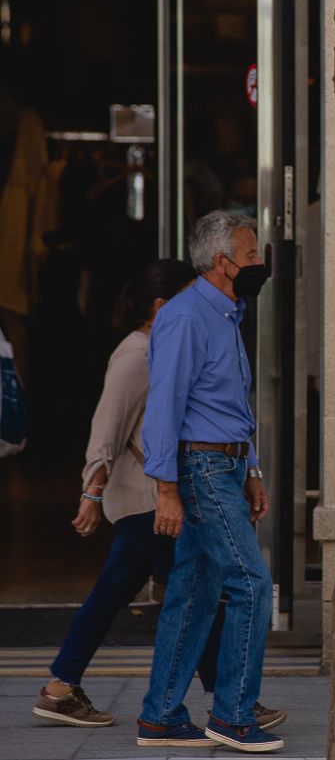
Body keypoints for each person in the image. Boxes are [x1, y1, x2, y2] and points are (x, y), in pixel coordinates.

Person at [31, 259, 216, 727]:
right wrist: (90, 495)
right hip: (142, 500)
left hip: (146, 497)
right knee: (196, 591)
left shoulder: (163, 347)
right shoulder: (138, 353)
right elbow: (107, 427)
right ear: (160, 306)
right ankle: (232, 697)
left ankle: (60, 687)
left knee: (111, 592)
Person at [135, 211, 283, 753]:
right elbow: (165, 407)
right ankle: (233, 715)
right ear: (221, 262)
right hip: (200, 470)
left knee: (194, 593)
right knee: (249, 584)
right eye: (250, 256)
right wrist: (166, 489)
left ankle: (161, 716)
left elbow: (229, 405)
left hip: (224, 466)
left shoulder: (226, 312)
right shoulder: (186, 316)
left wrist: (253, 469)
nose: (259, 265)